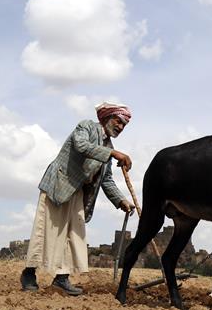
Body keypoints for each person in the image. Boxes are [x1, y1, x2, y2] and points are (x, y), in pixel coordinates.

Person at [20, 102, 135, 295]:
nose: (121, 127)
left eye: (124, 125)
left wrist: (121, 200)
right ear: (107, 118)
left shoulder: (109, 146)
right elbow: (81, 146)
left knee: (74, 234)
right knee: (46, 229)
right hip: (60, 184)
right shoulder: (87, 126)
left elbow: (106, 179)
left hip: (78, 193)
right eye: (118, 121)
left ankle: (62, 279)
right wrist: (113, 153)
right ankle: (29, 274)